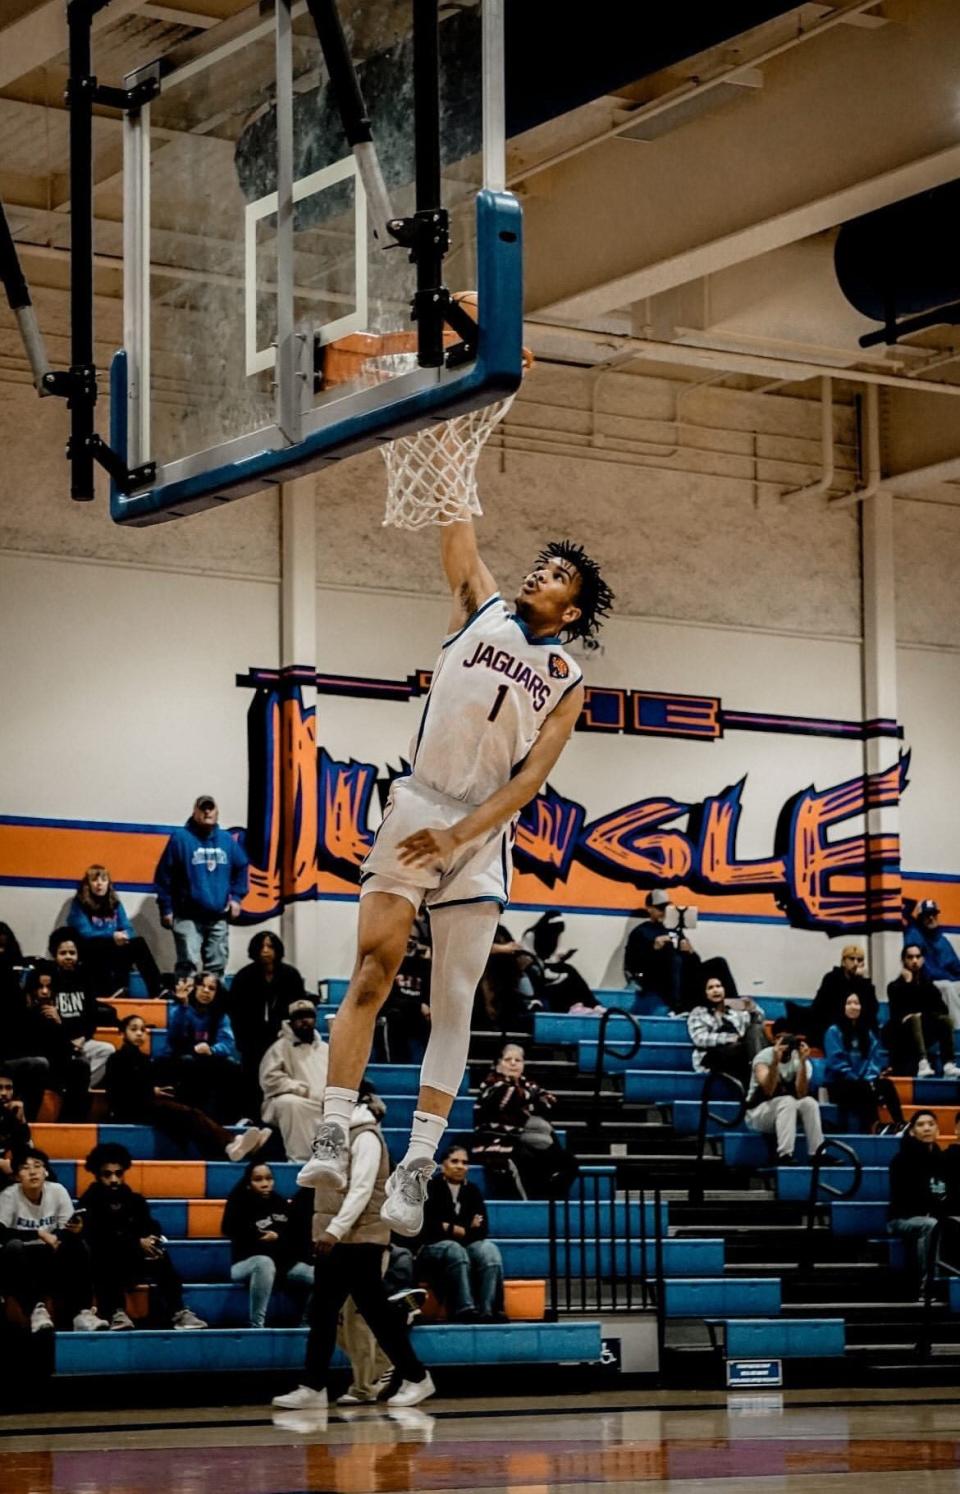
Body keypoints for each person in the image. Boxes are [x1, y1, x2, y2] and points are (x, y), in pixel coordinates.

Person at [298, 526, 612, 1239]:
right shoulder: (480, 606)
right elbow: (458, 532)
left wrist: (458, 837)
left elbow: (530, 782)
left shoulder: (566, 680)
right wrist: (450, 451)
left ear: (571, 611)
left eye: (558, 573)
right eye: (543, 563)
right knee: (372, 971)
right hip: (418, 803)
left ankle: (416, 1163)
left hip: (480, 830)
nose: (541, 572)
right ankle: (333, 1125)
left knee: (453, 1002)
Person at [273, 1088, 435, 1412]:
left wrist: (332, 1231)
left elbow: (361, 1190)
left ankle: (416, 1377)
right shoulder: (337, 1137)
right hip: (341, 1239)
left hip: (361, 1240)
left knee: (374, 1315)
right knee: (324, 1313)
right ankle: (314, 1386)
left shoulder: (366, 1137)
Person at [105, 1013, 269, 1162]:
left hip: (148, 1104)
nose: (140, 1033)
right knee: (189, 1114)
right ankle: (231, 1142)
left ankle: (235, 1145)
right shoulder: (116, 1059)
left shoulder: (145, 1059)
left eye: (143, 1029)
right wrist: (150, 1091)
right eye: (134, 1029)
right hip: (130, 1108)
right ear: (121, 1033)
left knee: (191, 1110)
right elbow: (118, 1092)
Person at [81, 1141, 207, 1330]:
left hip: (133, 1259)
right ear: (98, 1175)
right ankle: (116, 1312)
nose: (114, 1179)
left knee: (160, 1255)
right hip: (106, 1261)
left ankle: (179, 1312)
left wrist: (151, 1239)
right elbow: (99, 1236)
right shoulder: (89, 1201)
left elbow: (150, 1225)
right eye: (107, 1174)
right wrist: (136, 1242)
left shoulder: (135, 1200)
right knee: (105, 1256)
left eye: (118, 1173)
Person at [0, 1147, 108, 1332]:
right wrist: (38, 1234)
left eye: (38, 1166)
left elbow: (66, 1231)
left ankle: (82, 1314)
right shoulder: (8, 1195)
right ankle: (36, 1311)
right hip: (23, 1259)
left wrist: (76, 1230)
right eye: (25, 1168)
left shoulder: (57, 1191)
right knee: (13, 1246)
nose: (33, 1171)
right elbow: (1, 1232)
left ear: (46, 1172)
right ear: (17, 1176)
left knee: (78, 1245)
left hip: (51, 1256)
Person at [154, 795, 249, 977]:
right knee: (188, 966)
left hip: (218, 916)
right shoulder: (180, 838)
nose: (207, 812)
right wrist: (166, 908)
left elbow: (242, 866)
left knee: (217, 966)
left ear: (217, 812)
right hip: (186, 915)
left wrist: (236, 898)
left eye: (210, 808)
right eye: (203, 808)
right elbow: (164, 877)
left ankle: (214, 1004)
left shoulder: (226, 840)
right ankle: (186, 1004)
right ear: (194, 811)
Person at [473, 1042, 578, 1199]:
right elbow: (507, 1099)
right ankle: (535, 1203)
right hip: (498, 1143)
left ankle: (551, 1199)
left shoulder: (526, 1083)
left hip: (523, 1139)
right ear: (498, 1064)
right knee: (528, 1161)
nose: (513, 1063)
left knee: (569, 1162)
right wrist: (531, 1096)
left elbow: (550, 1101)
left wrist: (530, 1096)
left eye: (518, 1060)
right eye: (508, 1059)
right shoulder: (491, 1082)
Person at [221, 1161, 314, 1328]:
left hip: (283, 1265)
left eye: (269, 1179)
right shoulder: (239, 1202)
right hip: (245, 1263)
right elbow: (229, 1229)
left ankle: (307, 1323)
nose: (265, 1184)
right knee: (264, 1262)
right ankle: (256, 1325)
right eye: (258, 1179)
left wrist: (279, 1238)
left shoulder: (281, 1203)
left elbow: (295, 1238)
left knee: (324, 1275)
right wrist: (258, 1237)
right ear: (248, 1183)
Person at [417, 1144, 504, 1321]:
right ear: (442, 1165)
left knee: (489, 1251)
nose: (460, 1166)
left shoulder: (473, 1191)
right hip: (429, 1248)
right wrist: (463, 1226)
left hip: (463, 1246)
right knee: (453, 1248)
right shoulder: (429, 1187)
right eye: (454, 1161)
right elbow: (428, 1227)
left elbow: (481, 1230)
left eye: (465, 1162)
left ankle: (488, 1311)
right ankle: (464, 1309)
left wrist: (449, 1226)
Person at [228, 931, 306, 1103]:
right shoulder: (244, 976)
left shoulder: (290, 975)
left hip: (283, 1035)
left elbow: (299, 1005)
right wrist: (242, 1039)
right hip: (252, 1038)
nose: (265, 951)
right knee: (252, 1076)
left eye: (270, 946)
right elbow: (235, 1011)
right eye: (261, 946)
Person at [66, 865, 166, 999]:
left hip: (113, 945)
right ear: (88, 884)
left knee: (138, 943)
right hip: (90, 949)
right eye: (95, 880)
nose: (99, 884)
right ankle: (114, 989)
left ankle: (157, 990)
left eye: (103, 879)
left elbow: (127, 927)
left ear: (109, 883)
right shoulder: (80, 904)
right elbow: (85, 933)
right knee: (100, 946)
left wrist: (125, 936)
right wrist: (111, 936)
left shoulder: (114, 904)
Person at [888, 1110, 951, 1297]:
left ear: (938, 1130)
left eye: (931, 1124)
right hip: (902, 1219)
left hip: (933, 1217)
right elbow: (904, 1199)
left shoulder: (942, 1160)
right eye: (921, 1125)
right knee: (930, 1225)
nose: (926, 1128)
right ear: (912, 1132)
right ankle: (929, 1287)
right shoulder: (901, 1160)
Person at [167, 971, 244, 1122]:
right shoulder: (179, 1010)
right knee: (188, 1062)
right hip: (183, 1056)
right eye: (202, 986)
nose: (206, 991)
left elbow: (228, 1043)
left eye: (211, 988)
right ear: (194, 988)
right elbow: (173, 1038)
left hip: (209, 1056)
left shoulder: (221, 1015)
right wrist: (183, 1007)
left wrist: (212, 1050)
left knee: (232, 1066)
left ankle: (228, 1119)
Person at [259, 999, 329, 1162]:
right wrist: (300, 1089)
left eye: (308, 1016)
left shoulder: (326, 1049)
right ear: (291, 1021)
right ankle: (301, 1160)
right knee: (291, 1104)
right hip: (287, 1102)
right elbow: (269, 1080)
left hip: (323, 1102)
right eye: (299, 1017)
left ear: (315, 1019)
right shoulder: (279, 1047)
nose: (304, 1021)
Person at [822, 992, 904, 1132]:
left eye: (857, 1003)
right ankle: (875, 1126)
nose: (853, 1007)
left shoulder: (868, 1033)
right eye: (849, 1003)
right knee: (862, 1088)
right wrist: (856, 1078)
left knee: (886, 1084)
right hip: (840, 1082)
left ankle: (901, 1124)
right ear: (842, 1006)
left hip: (864, 1081)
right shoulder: (833, 1031)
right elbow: (836, 1062)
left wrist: (869, 1079)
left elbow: (874, 1061)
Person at [46, 927, 114, 1089]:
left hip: (81, 1041)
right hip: (58, 1044)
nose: (68, 957)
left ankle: (78, 1086)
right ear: (55, 956)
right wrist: (67, 1040)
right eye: (63, 953)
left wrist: (83, 1038)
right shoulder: (48, 981)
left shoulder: (85, 979)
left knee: (108, 1050)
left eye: (72, 952)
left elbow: (91, 1014)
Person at [745, 1033, 824, 1163]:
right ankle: (785, 1154)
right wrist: (775, 1062)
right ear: (775, 1041)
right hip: (758, 1112)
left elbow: (801, 1093)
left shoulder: (799, 1057)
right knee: (787, 1101)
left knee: (809, 1103)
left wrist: (803, 1062)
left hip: (787, 1113)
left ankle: (817, 1153)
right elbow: (768, 1090)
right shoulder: (764, 1056)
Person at [886, 945, 959, 1079]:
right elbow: (899, 1013)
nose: (914, 960)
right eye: (910, 957)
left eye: (917, 957)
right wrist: (908, 984)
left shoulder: (928, 985)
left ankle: (948, 1064)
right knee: (914, 1019)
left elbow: (942, 1009)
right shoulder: (895, 986)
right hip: (902, 1033)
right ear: (904, 960)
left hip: (925, 1030)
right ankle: (922, 1062)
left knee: (946, 1020)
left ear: (923, 959)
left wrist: (923, 1014)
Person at [624, 891, 701, 1011]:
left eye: (666, 907)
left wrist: (691, 952)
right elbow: (632, 966)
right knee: (674, 959)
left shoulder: (674, 930)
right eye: (660, 908)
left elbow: (695, 963)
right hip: (644, 975)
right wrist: (653, 949)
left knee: (718, 963)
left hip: (677, 974)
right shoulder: (641, 932)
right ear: (649, 909)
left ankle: (727, 1008)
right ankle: (677, 1007)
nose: (663, 911)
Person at [686, 974, 764, 1090]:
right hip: (712, 1055)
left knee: (756, 1030)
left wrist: (752, 1008)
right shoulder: (698, 1012)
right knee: (740, 1049)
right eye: (710, 988)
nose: (715, 990)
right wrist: (728, 1038)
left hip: (738, 1052)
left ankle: (759, 1074)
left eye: (718, 986)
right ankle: (757, 1082)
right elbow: (699, 1038)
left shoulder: (734, 1011)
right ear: (705, 993)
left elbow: (759, 1020)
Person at [801, 946, 880, 1049]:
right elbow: (824, 1008)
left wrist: (863, 981)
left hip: (857, 1027)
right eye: (851, 959)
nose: (856, 963)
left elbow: (872, 1008)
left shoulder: (864, 983)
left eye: (859, 960)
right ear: (843, 962)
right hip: (832, 1025)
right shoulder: (831, 979)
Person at [903, 900, 960, 1028]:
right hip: (927, 982)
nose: (931, 918)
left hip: (948, 979)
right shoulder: (914, 935)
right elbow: (925, 970)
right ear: (920, 917)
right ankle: (957, 1032)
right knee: (948, 987)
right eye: (927, 915)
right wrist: (950, 977)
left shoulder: (942, 939)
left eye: (934, 914)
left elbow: (956, 966)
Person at [380, 928, 432, 1064]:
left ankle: (434, 1069)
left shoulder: (425, 967)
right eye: (407, 937)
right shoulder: (389, 965)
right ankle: (397, 1067)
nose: (410, 941)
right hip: (397, 1014)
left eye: (414, 939)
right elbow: (389, 1000)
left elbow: (429, 996)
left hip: (417, 1016)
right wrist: (418, 1005)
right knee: (394, 1017)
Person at [0, 1069, 31, 1188]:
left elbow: (26, 1147)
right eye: (0, 1088)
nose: (4, 1093)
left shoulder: (11, 1114)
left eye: (8, 1088)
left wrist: (21, 1120)